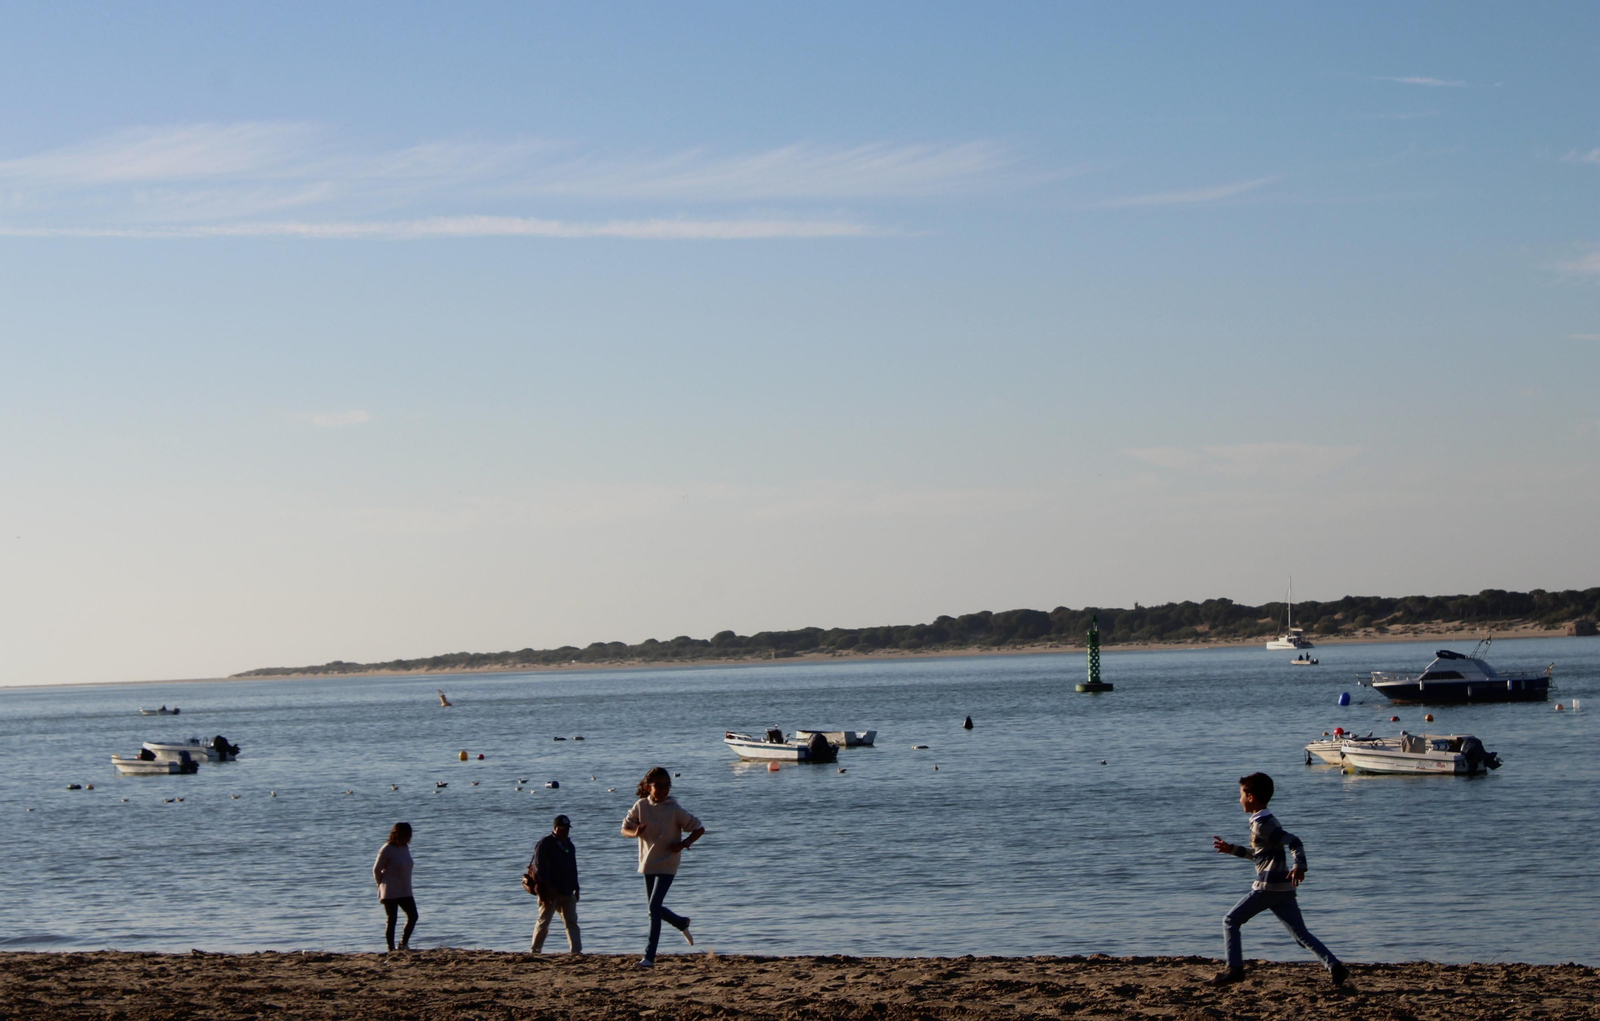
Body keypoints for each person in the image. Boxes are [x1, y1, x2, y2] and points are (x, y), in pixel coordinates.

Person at [1211, 773, 1347, 987]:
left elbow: (1294, 840)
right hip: (1283, 888)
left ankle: (1235, 969)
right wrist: (1232, 850)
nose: (1239, 800)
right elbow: (1260, 855)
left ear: (1251, 797)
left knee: (1231, 921)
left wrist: (1300, 866)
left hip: (1268, 888)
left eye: (1241, 795)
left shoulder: (1262, 824)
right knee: (1301, 935)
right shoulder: (1266, 820)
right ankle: (1336, 967)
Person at [620, 766, 705, 968]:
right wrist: (636, 833)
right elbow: (624, 829)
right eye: (658, 786)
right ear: (649, 787)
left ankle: (649, 957)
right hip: (648, 863)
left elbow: (699, 828)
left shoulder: (674, 809)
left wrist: (683, 844)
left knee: (654, 907)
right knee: (653, 911)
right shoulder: (641, 806)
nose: (663, 790)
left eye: (667, 786)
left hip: (668, 862)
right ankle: (681, 923)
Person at [530, 814, 582, 954]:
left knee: (572, 922)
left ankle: (576, 952)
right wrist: (548, 887)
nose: (565, 831)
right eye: (562, 828)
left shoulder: (569, 845)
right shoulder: (545, 843)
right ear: (555, 828)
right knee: (544, 922)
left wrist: (576, 887)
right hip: (550, 892)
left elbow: (573, 867)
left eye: (567, 829)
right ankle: (535, 950)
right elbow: (538, 867)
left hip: (567, 891)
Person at [373, 822, 417, 952]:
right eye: (406, 835)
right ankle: (391, 948)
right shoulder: (387, 849)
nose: (408, 838)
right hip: (390, 890)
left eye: (409, 836)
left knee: (413, 916)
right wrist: (380, 886)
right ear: (398, 834)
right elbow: (376, 870)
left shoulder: (405, 848)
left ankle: (403, 944)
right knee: (392, 920)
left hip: (405, 890)